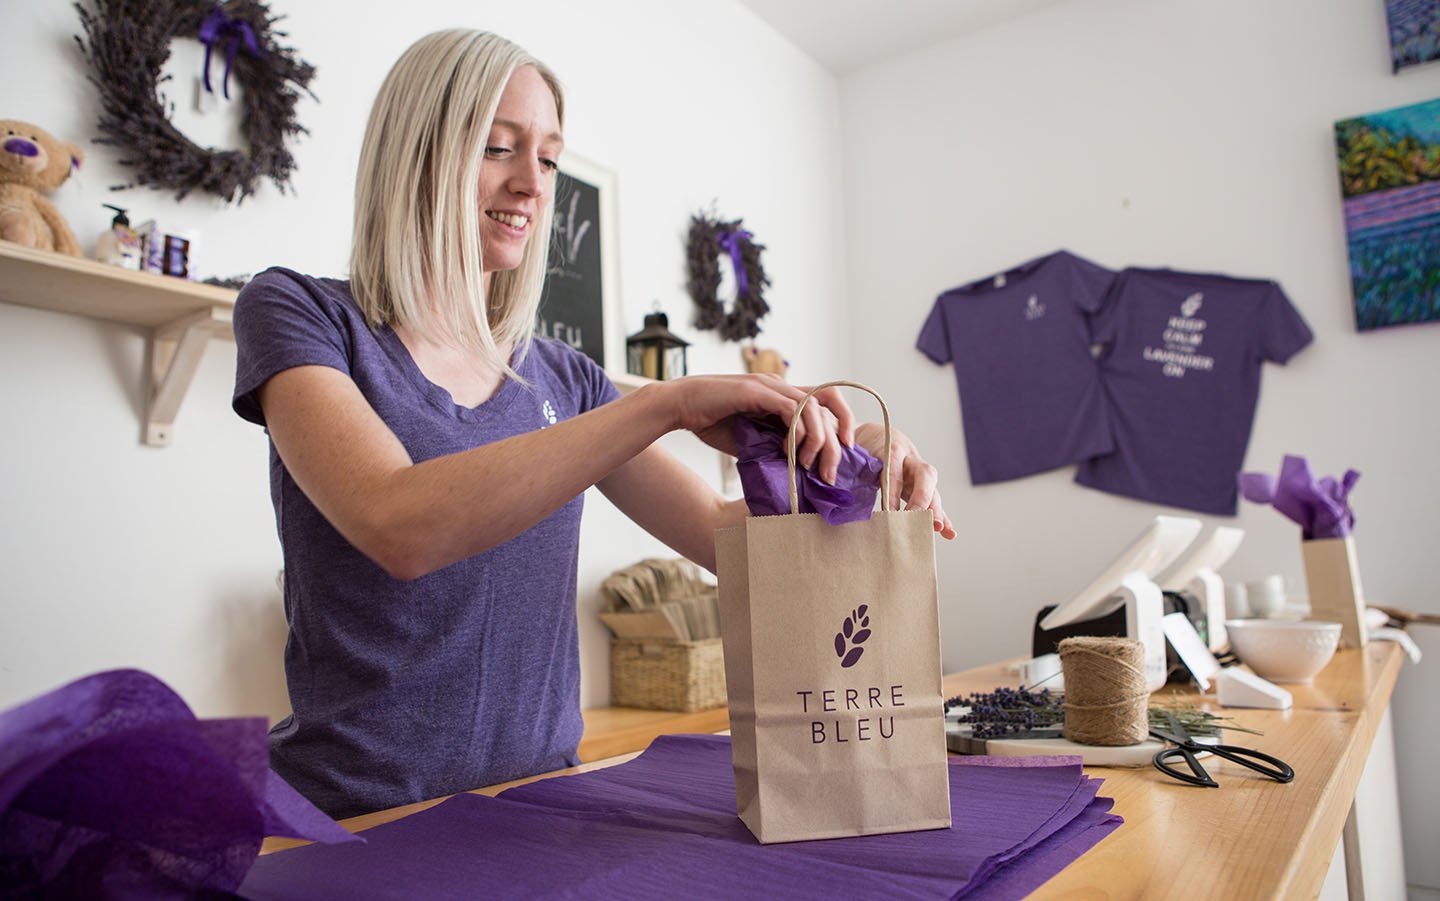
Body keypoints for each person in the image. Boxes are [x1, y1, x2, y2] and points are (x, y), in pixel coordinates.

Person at [232, 28, 955, 820]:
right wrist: (662, 405)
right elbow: (398, 522)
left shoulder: (563, 379)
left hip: (538, 809)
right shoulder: (299, 313)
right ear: (418, 152)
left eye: (546, 159)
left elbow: (729, 540)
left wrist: (854, 465)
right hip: (351, 821)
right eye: (498, 148)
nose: (531, 186)